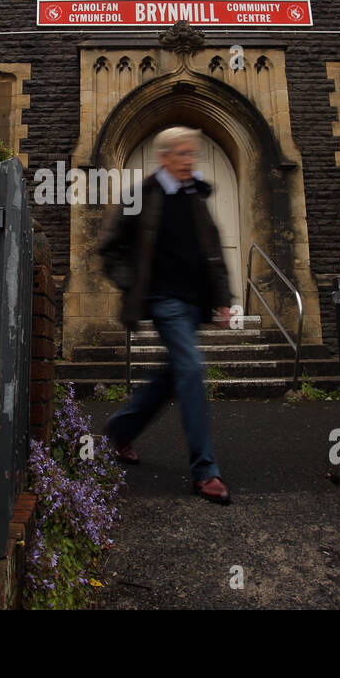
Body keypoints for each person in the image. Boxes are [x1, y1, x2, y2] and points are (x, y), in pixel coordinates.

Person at [98, 126, 234, 505]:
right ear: (164, 156)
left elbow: (213, 249)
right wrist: (135, 285)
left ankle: (119, 431)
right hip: (164, 300)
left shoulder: (195, 196)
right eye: (183, 153)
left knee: (172, 372)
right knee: (191, 368)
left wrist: (222, 297)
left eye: (192, 154)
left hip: (193, 302)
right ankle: (205, 472)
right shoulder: (142, 195)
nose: (190, 160)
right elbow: (110, 248)